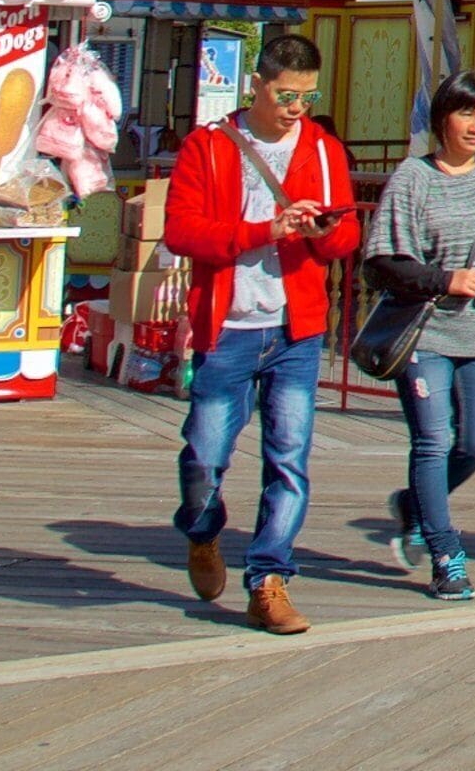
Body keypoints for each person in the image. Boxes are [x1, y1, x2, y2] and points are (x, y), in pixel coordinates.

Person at [162, 32, 365, 634]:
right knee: (205, 457)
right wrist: (263, 229)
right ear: (257, 83)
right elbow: (181, 232)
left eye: (306, 95)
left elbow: (344, 239)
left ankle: (269, 579)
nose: (295, 107)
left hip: (296, 330)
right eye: (284, 94)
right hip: (227, 326)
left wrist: (321, 230)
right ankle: (202, 530)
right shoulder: (207, 147)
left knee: (289, 459)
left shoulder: (325, 150)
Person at [361, 70, 475, 601]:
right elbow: (382, 263)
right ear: (443, 117)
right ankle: (445, 553)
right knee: (433, 441)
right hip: (427, 333)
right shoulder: (413, 179)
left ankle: (414, 505)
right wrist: (444, 280)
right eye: (466, 113)